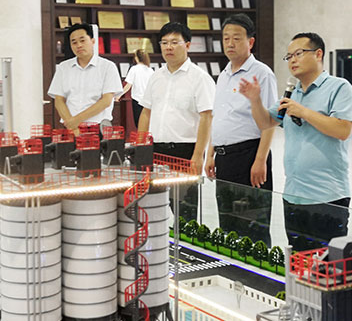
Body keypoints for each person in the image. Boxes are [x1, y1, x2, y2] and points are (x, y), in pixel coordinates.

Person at [239, 32, 352, 250]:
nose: (292, 60)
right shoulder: (292, 94)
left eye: (299, 54)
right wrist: (255, 101)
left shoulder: (339, 87)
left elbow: (342, 130)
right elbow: (265, 122)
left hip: (327, 197)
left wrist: (304, 112)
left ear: (318, 54)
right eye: (289, 56)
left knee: (327, 264)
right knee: (298, 262)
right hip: (293, 196)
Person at [205, 14, 277, 246]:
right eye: (226, 38)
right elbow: (218, 116)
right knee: (228, 224)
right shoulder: (223, 75)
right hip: (224, 159)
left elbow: (270, 121)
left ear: (250, 42)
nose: (230, 43)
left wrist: (260, 160)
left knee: (253, 225)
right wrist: (210, 154)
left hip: (249, 155)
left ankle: (258, 268)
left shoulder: (262, 73)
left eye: (236, 38)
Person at [138, 22, 215, 175]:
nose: (168, 47)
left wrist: (198, 155)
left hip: (185, 150)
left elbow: (207, 117)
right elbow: (146, 112)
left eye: (174, 42)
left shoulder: (200, 78)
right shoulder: (155, 76)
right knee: (155, 190)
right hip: (155, 149)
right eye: (164, 43)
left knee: (185, 191)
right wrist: (140, 147)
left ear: (187, 45)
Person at [48, 23, 122, 134]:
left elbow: (106, 101)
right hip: (70, 129)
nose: (78, 45)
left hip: (98, 129)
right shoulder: (63, 67)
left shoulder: (108, 67)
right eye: (74, 42)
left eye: (82, 40)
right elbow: (59, 101)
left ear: (93, 41)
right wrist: (73, 128)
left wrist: (76, 120)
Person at [115, 49, 154, 127]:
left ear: (136, 58)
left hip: (137, 100)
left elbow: (128, 85)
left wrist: (119, 95)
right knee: (148, 124)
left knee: (138, 124)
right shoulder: (151, 70)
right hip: (148, 101)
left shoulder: (134, 69)